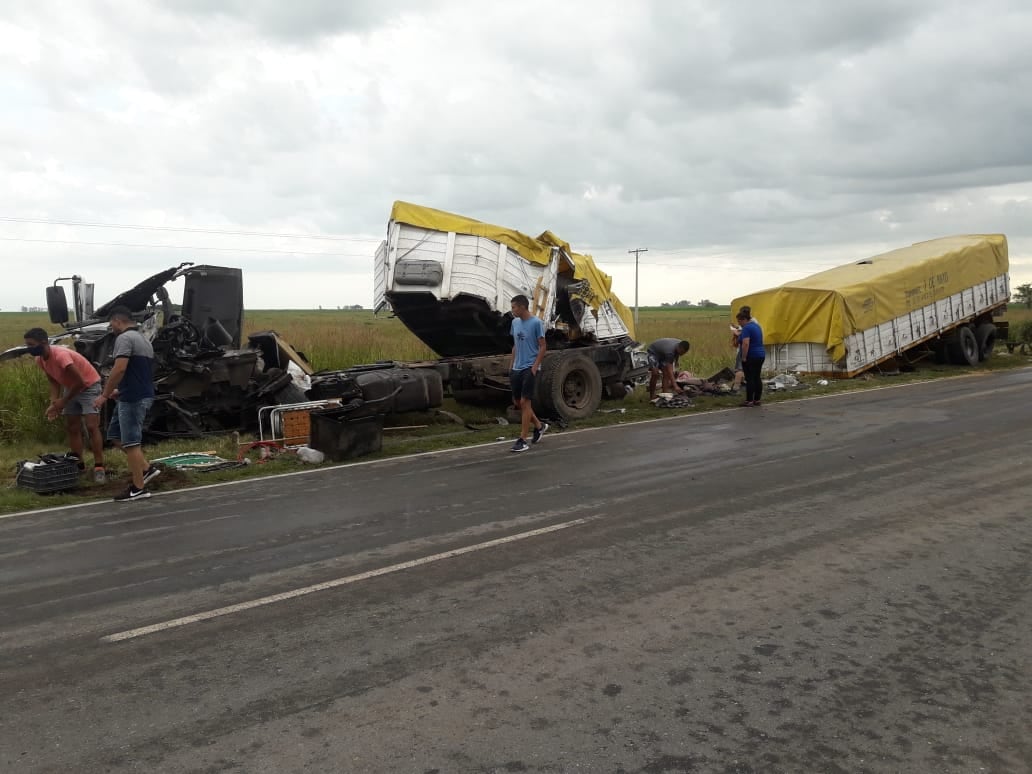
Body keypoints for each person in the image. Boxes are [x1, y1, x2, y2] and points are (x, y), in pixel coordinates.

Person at [92, 306, 161, 500]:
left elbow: (119, 369)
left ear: (117, 321)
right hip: (131, 394)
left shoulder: (123, 338)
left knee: (131, 443)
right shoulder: (143, 340)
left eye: (110, 323)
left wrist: (105, 394)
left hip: (134, 398)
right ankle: (147, 469)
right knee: (115, 436)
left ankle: (138, 488)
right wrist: (119, 390)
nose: (110, 327)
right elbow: (139, 372)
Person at [23, 327, 107, 483]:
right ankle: (79, 465)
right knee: (72, 427)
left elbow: (80, 382)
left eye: (31, 345)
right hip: (72, 387)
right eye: (27, 345)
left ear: (43, 342)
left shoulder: (61, 356)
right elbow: (54, 381)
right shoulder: (40, 359)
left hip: (89, 386)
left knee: (91, 426)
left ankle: (99, 466)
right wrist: (54, 403)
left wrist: (64, 401)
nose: (29, 348)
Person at [508, 294, 548, 453]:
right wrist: (511, 365)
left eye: (514, 307)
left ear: (523, 307)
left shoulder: (536, 323)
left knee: (525, 402)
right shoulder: (514, 322)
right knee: (518, 402)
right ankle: (539, 426)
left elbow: (543, 346)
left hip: (529, 367)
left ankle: (522, 440)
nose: (512, 311)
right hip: (516, 368)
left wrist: (534, 366)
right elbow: (515, 345)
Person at [737, 309, 766, 407]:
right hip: (761, 354)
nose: (739, 324)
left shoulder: (746, 328)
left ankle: (749, 400)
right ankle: (757, 399)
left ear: (744, 319)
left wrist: (744, 357)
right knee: (757, 377)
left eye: (740, 322)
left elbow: (746, 343)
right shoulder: (757, 326)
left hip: (751, 355)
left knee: (749, 378)